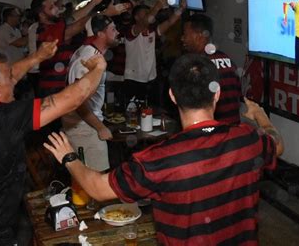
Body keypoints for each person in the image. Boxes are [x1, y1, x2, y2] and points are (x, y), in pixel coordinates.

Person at [44, 54, 284, 246]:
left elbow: (97, 188)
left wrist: (69, 157)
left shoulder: (158, 158)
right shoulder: (248, 140)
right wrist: (262, 118)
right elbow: (277, 143)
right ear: (217, 94)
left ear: (172, 95)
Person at [0, 10, 108, 245]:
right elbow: (71, 99)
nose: (14, 81)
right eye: (8, 78)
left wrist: (37, 57)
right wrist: (98, 68)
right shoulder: (6, 118)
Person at [62, 16, 119, 172]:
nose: (118, 32)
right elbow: (78, 100)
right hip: (83, 127)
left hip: (83, 124)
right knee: (96, 179)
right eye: (113, 29)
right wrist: (100, 128)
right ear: (100, 34)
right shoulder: (89, 58)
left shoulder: (90, 52)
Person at [181, 13, 242, 125]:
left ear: (199, 36)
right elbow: (237, 93)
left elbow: (193, 105)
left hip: (213, 132)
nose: (182, 39)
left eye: (185, 34)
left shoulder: (196, 66)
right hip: (233, 130)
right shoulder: (226, 59)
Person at [124, 0, 185, 103]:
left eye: (149, 12)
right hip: (134, 78)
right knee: (133, 111)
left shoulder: (152, 31)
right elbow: (144, 23)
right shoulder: (131, 31)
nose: (149, 14)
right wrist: (156, 7)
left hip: (151, 77)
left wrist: (181, 9)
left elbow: (170, 22)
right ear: (136, 17)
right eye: (145, 13)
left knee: (152, 111)